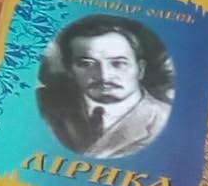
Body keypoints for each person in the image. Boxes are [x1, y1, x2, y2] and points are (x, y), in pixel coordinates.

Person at [35, 14, 174, 159]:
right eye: (87, 64)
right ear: (70, 70)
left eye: (118, 63)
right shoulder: (47, 109)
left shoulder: (164, 120)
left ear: (140, 69)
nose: (104, 76)